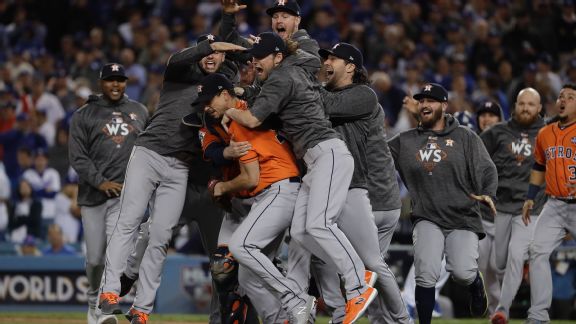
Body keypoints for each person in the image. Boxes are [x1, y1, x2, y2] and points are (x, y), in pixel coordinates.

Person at [224, 32, 376, 324]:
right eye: (254, 57)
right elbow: (306, 57)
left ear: (278, 57)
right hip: (316, 159)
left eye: (262, 56)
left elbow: (254, 119)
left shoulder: (282, 76)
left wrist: (228, 108)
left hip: (327, 153)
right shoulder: (298, 67)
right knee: (302, 233)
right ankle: (327, 292)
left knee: (319, 225)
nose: (255, 62)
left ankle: (358, 284)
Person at [98, 38, 244, 324]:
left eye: (217, 54)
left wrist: (233, 54)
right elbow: (176, 60)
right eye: (207, 52)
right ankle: (110, 291)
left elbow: (236, 83)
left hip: (180, 167)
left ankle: (141, 310)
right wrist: (211, 46)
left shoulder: (218, 90)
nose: (212, 57)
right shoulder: (180, 75)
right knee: (128, 220)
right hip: (148, 154)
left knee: (161, 237)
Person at [294, 42, 411, 324]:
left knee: (372, 262)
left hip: (365, 192)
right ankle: (340, 314)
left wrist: (297, 77)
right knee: (318, 249)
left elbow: (323, 105)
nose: (326, 62)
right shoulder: (329, 93)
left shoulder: (363, 95)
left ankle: (401, 319)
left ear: (351, 67)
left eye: (334, 58)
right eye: (325, 58)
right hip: (340, 186)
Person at [192, 73, 311, 323]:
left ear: (226, 95)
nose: (206, 106)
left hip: (279, 188)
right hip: (276, 191)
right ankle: (281, 320)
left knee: (240, 246)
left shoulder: (238, 121)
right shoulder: (246, 113)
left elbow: (250, 178)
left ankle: (294, 299)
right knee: (247, 277)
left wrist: (222, 188)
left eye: (209, 99)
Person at [389, 83, 497, 324]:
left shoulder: (465, 137)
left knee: (462, 272)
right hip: (427, 215)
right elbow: (378, 157)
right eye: (422, 100)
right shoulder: (405, 141)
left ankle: (475, 283)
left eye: (432, 100)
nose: (425, 104)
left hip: (463, 217)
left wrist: (489, 193)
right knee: (425, 274)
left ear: (444, 106)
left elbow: (488, 170)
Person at [69, 62, 149, 324]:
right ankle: (93, 299)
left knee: (115, 255)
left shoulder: (139, 111)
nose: (116, 84)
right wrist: (100, 181)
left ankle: (104, 309)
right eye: (110, 80)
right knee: (94, 259)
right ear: (101, 83)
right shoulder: (85, 114)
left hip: (124, 197)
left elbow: (148, 152)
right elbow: (77, 157)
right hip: (93, 197)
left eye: (120, 79)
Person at [482, 88, 546, 324]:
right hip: (501, 207)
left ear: (539, 108)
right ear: (515, 106)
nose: (526, 108)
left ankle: (502, 310)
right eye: (522, 104)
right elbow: (475, 157)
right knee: (499, 263)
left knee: (515, 255)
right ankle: (524, 266)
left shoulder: (547, 132)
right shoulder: (497, 132)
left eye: (531, 104)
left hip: (530, 207)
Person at [522, 84, 576, 324]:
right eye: (561, 96)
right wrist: (530, 196)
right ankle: (538, 316)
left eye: (571, 97)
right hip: (554, 205)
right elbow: (539, 166)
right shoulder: (545, 133)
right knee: (537, 252)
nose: (563, 100)